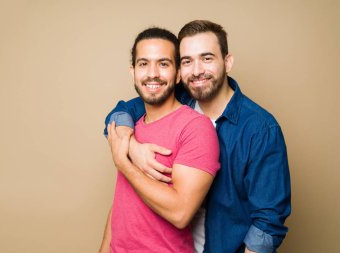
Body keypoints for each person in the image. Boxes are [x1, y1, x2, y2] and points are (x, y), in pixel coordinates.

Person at [104, 20, 291, 253]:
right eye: (187, 61)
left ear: (228, 61)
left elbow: (268, 222)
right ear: (180, 71)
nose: (197, 70)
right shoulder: (175, 100)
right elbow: (122, 111)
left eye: (207, 58)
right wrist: (132, 148)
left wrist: (124, 160)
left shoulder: (260, 128)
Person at [99, 27, 220, 253]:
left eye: (163, 64)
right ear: (133, 71)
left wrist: (124, 163)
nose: (152, 73)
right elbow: (122, 205)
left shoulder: (195, 127)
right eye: (143, 64)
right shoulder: (130, 129)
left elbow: (181, 213)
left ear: (176, 75)